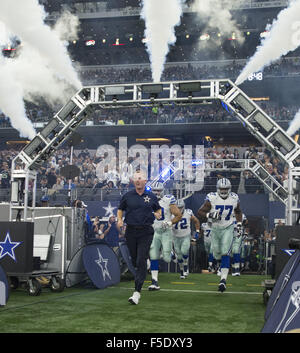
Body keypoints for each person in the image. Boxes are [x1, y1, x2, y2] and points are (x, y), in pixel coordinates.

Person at [117, 171, 161, 305]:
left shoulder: (151, 196)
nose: (137, 180)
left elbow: (158, 209)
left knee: (140, 259)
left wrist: (158, 214)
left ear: (145, 181)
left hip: (146, 231)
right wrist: (119, 219)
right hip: (130, 231)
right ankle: (145, 263)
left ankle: (137, 293)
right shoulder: (127, 196)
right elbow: (120, 209)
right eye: (135, 179)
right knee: (136, 261)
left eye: (140, 178)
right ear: (133, 181)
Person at [197, 178, 243, 292]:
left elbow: (238, 211)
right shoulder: (212, 198)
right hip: (216, 228)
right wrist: (210, 215)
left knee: (225, 252)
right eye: (221, 189)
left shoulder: (234, 198)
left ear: (229, 189)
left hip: (228, 227)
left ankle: (223, 280)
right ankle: (219, 266)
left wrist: (239, 224)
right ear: (218, 189)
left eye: (225, 189)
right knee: (217, 254)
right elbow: (200, 212)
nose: (223, 191)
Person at [148, 182, 182, 291]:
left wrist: (170, 223)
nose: (157, 193)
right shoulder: (147, 200)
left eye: (159, 191)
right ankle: (154, 281)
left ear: (163, 191)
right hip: (154, 231)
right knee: (153, 254)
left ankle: (171, 254)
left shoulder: (168, 200)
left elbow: (178, 215)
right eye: (155, 191)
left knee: (167, 259)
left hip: (166, 230)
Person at [172, 199, 200, 279]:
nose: (179, 209)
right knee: (179, 256)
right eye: (177, 207)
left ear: (183, 207)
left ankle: (185, 268)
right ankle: (181, 271)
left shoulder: (188, 212)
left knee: (184, 251)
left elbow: (196, 221)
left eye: (180, 207)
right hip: (176, 237)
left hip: (185, 236)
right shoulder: (171, 214)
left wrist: (197, 231)